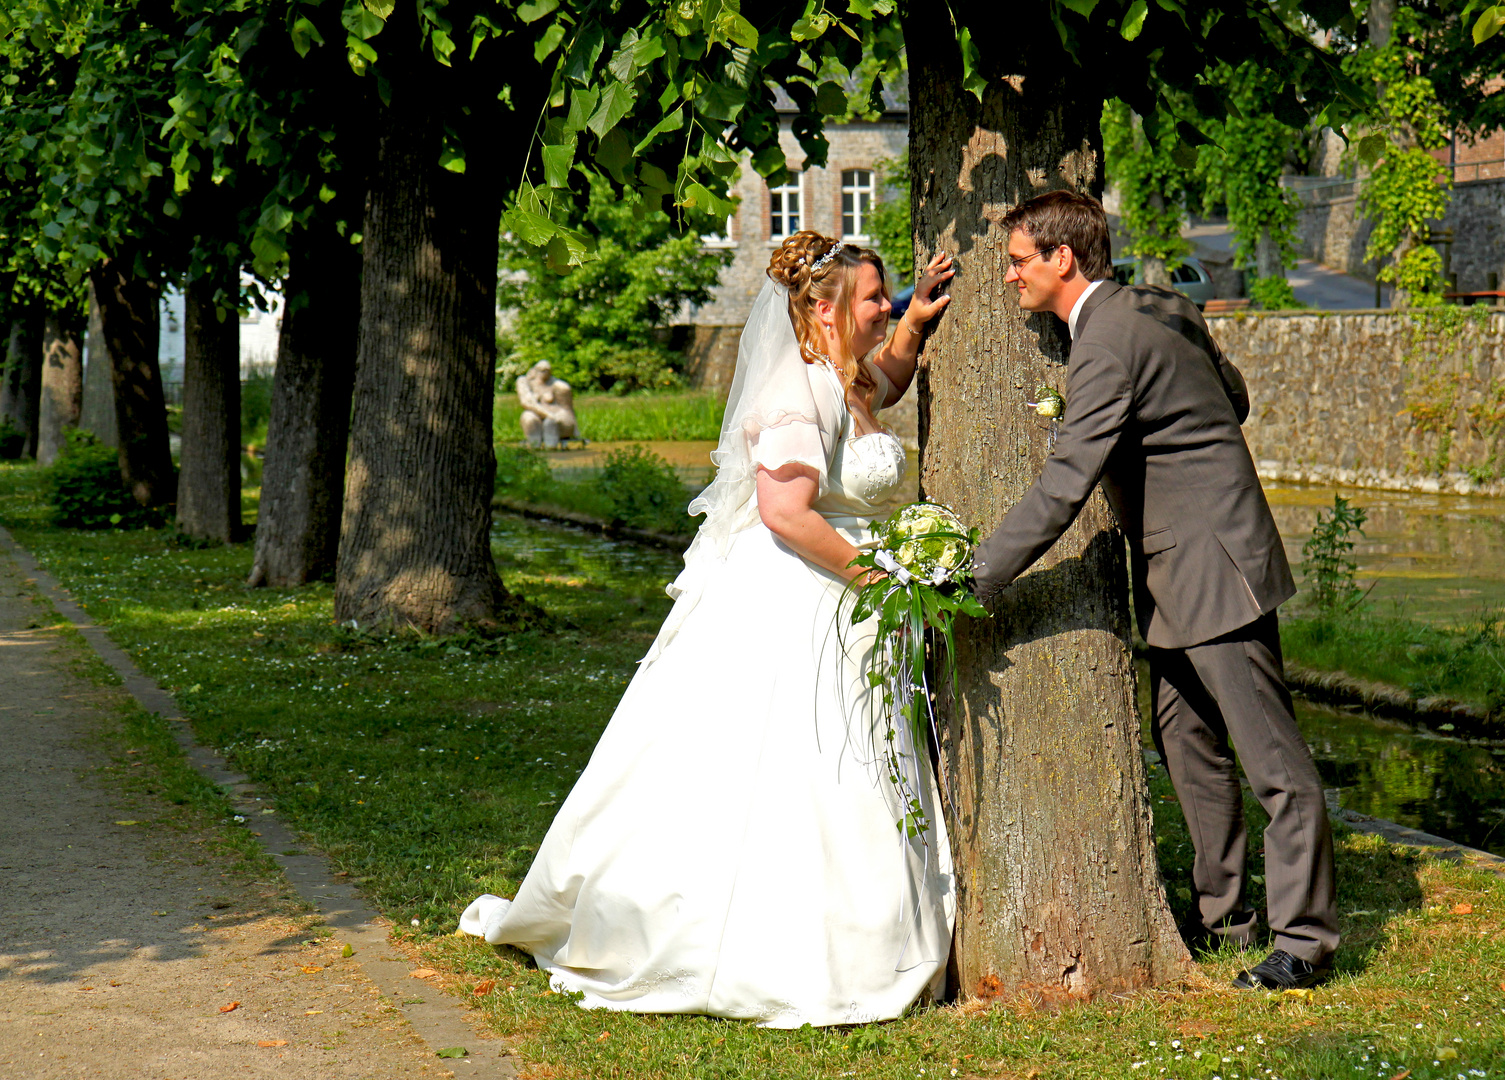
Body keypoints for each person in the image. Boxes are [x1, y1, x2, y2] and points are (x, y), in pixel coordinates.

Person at [459, 233, 959, 1026]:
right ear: (823, 310)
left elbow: (881, 388)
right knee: (804, 764)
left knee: (849, 760)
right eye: (874, 298)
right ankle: (778, 945)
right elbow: (785, 512)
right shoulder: (796, 394)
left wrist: (911, 326)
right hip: (807, 596)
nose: (884, 306)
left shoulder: (843, 374)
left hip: (844, 599)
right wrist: (882, 580)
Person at [968, 191, 1339, 991]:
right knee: (1187, 743)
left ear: (1062, 258)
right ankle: (1226, 922)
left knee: (1274, 762)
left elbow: (1067, 485)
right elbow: (1232, 398)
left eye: (1018, 260)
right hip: (1181, 564)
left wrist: (976, 576)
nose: (1009, 278)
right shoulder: (1162, 305)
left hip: (1211, 563)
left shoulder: (1102, 347)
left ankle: (1304, 943)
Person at [516, 360, 579, 449]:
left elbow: (567, 409)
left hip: (557, 414)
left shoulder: (558, 385)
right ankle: (534, 448)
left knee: (551, 423)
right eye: (541, 370)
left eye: (546, 370)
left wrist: (552, 416)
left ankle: (551, 449)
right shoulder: (524, 381)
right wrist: (548, 414)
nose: (544, 372)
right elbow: (526, 402)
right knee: (529, 418)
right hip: (540, 414)